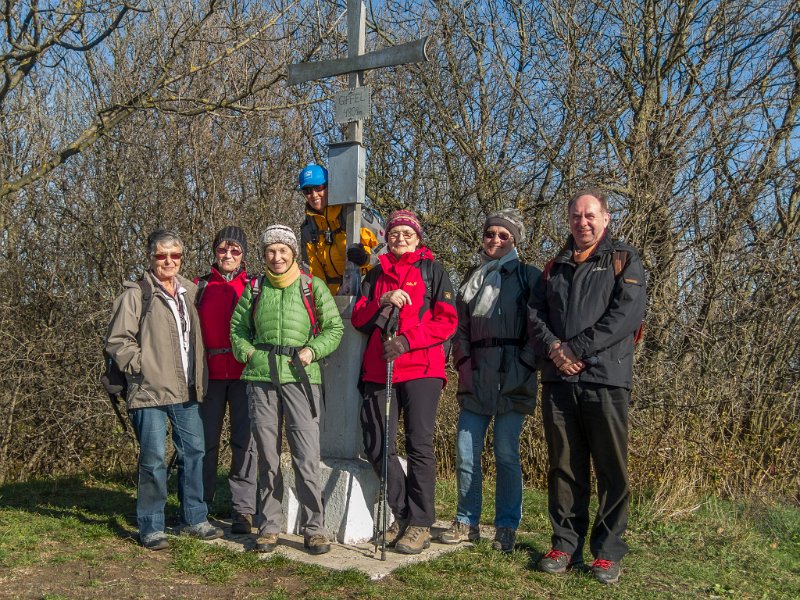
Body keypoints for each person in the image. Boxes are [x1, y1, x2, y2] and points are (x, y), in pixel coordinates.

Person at [527, 188, 646, 584]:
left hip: (605, 379)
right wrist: (555, 350)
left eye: (590, 215)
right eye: (576, 216)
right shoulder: (554, 266)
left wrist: (574, 348)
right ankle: (565, 544)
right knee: (564, 466)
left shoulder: (623, 259)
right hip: (559, 379)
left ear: (606, 219)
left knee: (611, 468)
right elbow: (535, 314)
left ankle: (608, 552)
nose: (583, 222)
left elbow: (625, 316)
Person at [105, 229, 223, 551]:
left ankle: (194, 518)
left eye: (175, 255)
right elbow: (118, 340)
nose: (168, 261)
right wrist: (141, 367)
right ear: (151, 257)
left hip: (186, 390)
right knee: (154, 458)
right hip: (148, 392)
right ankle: (152, 526)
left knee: (195, 453)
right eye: (161, 255)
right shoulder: (136, 294)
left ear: (182, 258)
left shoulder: (191, 291)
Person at [230, 224, 343, 555]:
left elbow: (334, 328)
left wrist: (312, 351)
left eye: (283, 250)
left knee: (306, 456)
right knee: (267, 456)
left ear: (293, 252)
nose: (276, 257)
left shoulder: (311, 286)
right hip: (261, 380)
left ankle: (315, 528)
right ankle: (270, 525)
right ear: (264, 255)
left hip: (301, 379)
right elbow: (237, 329)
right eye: (270, 251)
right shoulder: (253, 288)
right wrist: (249, 353)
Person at [352, 209, 457, 555]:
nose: (399, 239)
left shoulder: (432, 271)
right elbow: (359, 318)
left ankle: (422, 522)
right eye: (394, 233)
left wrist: (409, 340)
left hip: (422, 368)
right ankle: (404, 515)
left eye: (407, 234)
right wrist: (381, 300)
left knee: (419, 444)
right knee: (377, 442)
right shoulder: (375, 274)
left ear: (417, 238)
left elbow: (447, 321)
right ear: (386, 238)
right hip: (379, 368)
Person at [438, 209, 540, 554]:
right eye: (490, 234)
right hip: (477, 374)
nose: (495, 240)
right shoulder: (473, 276)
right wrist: (463, 360)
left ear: (514, 240)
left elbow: (538, 327)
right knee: (466, 453)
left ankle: (506, 526)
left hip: (514, 375)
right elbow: (460, 325)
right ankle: (466, 520)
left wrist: (525, 364)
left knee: (506, 453)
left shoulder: (528, 276)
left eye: (503, 235)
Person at [194, 226, 258, 534]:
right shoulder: (199, 286)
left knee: (245, 443)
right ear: (214, 252)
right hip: (209, 375)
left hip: (246, 374)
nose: (228, 255)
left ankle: (242, 510)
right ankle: (198, 506)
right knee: (203, 444)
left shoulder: (256, 286)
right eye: (223, 250)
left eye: (235, 251)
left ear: (243, 255)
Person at [298, 163, 385, 294]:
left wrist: (366, 257)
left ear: (330, 186)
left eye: (319, 187)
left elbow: (385, 249)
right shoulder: (308, 228)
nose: (314, 195)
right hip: (331, 298)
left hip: (366, 289)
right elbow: (312, 271)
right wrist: (320, 297)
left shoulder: (354, 215)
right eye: (307, 191)